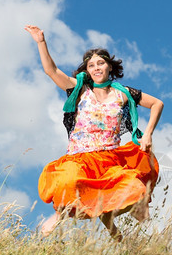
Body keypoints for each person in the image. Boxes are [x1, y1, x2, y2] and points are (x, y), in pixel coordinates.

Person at [24, 25, 163, 241]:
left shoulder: (123, 94)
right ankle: (61, 214)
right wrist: (41, 41)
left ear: (109, 67)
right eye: (91, 65)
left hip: (109, 159)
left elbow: (157, 103)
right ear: (87, 70)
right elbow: (51, 71)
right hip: (79, 158)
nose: (96, 68)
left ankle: (112, 219)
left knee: (135, 189)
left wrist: (148, 135)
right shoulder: (79, 90)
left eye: (101, 63)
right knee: (67, 182)